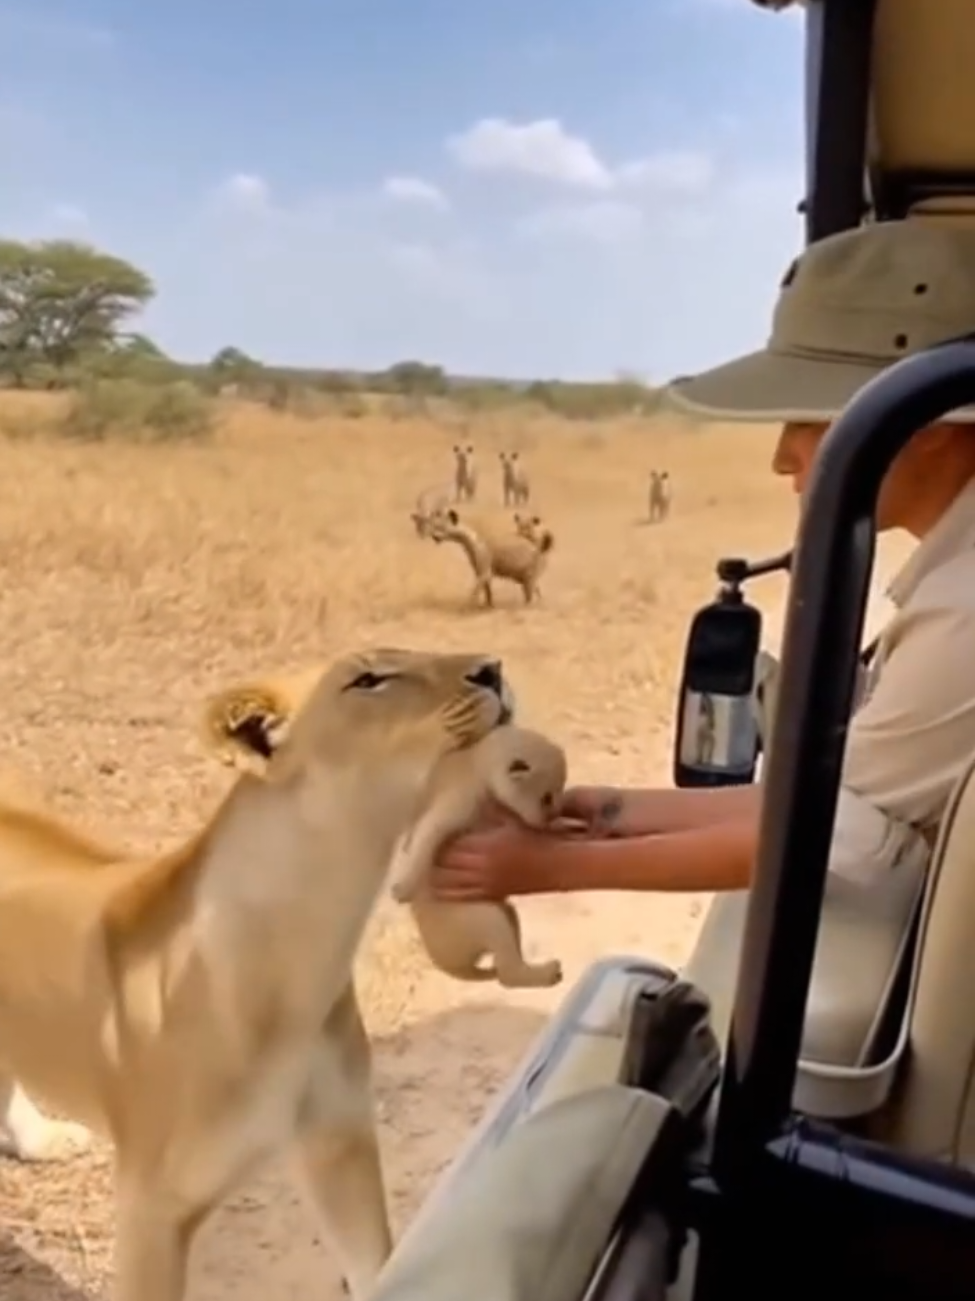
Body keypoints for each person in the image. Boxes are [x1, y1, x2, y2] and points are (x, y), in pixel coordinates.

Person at [432, 220, 975, 903]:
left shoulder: (962, 609)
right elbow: (824, 800)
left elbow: (830, 833)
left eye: (808, 420)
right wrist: (607, 814)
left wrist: (551, 868)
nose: (783, 456)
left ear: (926, 423)